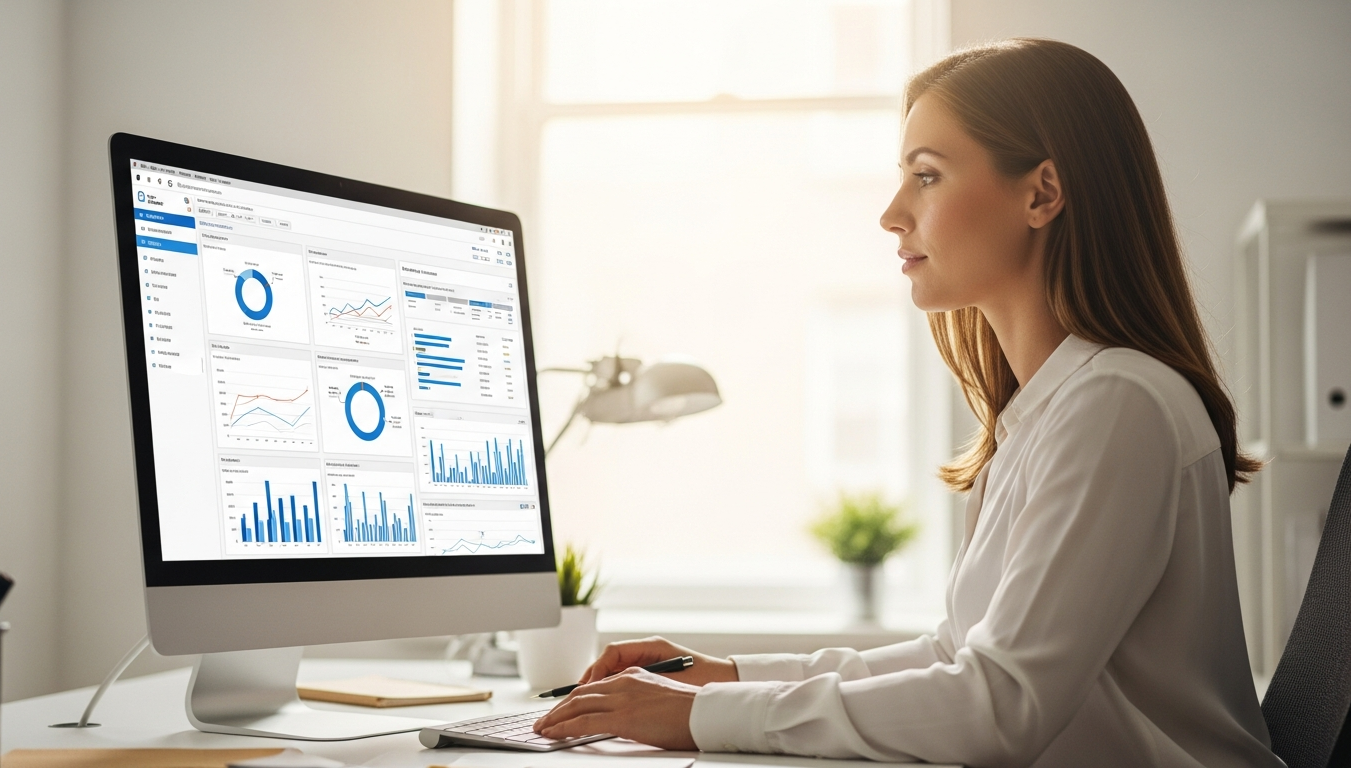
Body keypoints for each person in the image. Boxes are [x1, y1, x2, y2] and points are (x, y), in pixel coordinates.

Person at [532, 38, 1284, 768]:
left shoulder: (1117, 403)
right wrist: (725, 676)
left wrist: (701, 718)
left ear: (1041, 193)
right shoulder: (1049, 413)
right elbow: (956, 658)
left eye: (926, 176)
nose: (892, 212)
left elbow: (1000, 705)